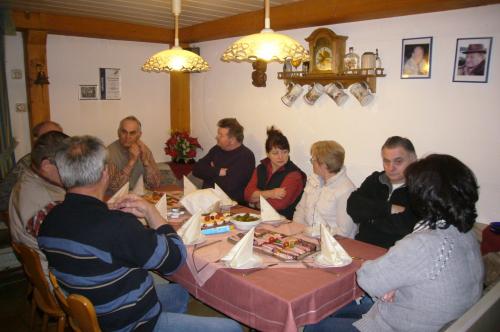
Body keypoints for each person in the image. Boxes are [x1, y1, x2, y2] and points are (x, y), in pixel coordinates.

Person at [38, 136, 241, 332]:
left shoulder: (50, 220)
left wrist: (107, 208)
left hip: (97, 310)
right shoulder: (117, 226)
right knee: (232, 327)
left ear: (63, 175)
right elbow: (175, 258)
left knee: (181, 289)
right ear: (105, 173)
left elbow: (90, 231)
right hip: (130, 323)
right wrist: (152, 212)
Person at [305, 154, 484, 332]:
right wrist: (393, 284)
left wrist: (388, 284)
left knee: (314, 326)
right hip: (433, 315)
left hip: (403, 324)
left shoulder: (424, 243)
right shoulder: (465, 233)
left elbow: (368, 279)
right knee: (333, 311)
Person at [9, 131, 68, 277]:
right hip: (58, 279)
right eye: (67, 164)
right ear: (47, 165)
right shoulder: (48, 207)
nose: (72, 170)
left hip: (43, 268)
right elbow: (75, 249)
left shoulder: (26, 180)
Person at [347, 136, 418, 248]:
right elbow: (352, 206)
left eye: (398, 161)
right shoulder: (375, 179)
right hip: (361, 246)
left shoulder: (421, 188)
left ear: (413, 159)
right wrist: (389, 208)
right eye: (386, 161)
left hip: (395, 254)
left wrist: (370, 218)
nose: (391, 168)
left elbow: (407, 226)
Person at [293, 141, 357, 238]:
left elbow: (343, 232)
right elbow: (300, 210)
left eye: (313, 159)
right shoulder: (313, 180)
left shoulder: (346, 190)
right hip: (306, 237)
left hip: (333, 244)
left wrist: (314, 233)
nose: (311, 162)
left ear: (324, 165)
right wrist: (295, 233)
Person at [244, 127, 306, 219]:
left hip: (281, 221)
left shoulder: (294, 174)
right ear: (268, 154)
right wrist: (271, 193)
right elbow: (247, 195)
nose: (281, 157)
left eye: (284, 152)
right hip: (257, 217)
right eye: (275, 153)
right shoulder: (261, 168)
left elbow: (279, 204)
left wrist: (256, 203)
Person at [0, 121, 63, 211]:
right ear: (37, 141)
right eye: (46, 137)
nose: (54, 140)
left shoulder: (66, 159)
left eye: (57, 136)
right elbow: (3, 198)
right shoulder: (26, 163)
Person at [192, 118, 255, 204]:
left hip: (231, 206)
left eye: (221, 135)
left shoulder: (246, 156)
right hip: (207, 200)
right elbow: (196, 169)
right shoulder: (216, 149)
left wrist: (209, 171)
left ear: (232, 140)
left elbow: (229, 187)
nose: (216, 137)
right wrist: (218, 171)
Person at [107, 116, 160, 194]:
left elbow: (155, 185)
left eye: (132, 133)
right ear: (118, 132)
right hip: (115, 199)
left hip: (140, 197)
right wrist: (131, 162)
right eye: (124, 132)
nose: (127, 137)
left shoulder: (144, 149)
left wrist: (146, 162)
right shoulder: (108, 153)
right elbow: (114, 189)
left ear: (139, 135)